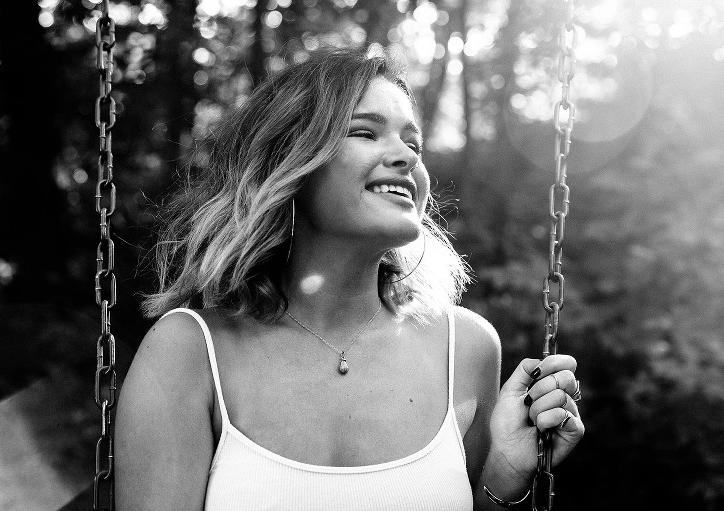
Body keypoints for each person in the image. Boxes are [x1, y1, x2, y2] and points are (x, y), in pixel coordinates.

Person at [115, 48, 584, 510]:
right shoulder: (191, 350)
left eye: (413, 144)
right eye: (366, 132)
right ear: (291, 160)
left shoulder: (466, 347)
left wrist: (503, 473)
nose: (405, 156)